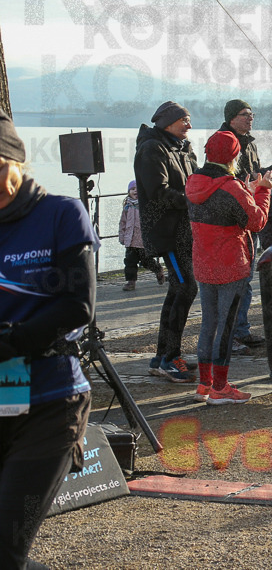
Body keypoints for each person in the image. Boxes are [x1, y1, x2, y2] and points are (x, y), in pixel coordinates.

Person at [0, 110, 96, 569]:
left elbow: (78, 305)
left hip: (51, 396)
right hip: (4, 387)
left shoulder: (59, 213)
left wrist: (13, 341)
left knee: (5, 546)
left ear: (19, 161)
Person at [185, 131, 272, 404]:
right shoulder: (230, 187)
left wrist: (245, 191)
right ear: (234, 157)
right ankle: (221, 387)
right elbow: (256, 221)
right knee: (226, 325)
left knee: (208, 322)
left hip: (203, 260)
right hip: (231, 263)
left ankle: (204, 384)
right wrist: (263, 190)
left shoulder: (193, 182)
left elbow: (223, 207)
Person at [134, 101, 198, 383]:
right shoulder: (152, 148)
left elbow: (194, 180)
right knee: (185, 287)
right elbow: (157, 191)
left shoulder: (183, 148)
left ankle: (164, 356)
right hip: (167, 233)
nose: (189, 125)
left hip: (186, 231)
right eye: (185, 120)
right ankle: (168, 358)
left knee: (178, 290)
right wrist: (192, 202)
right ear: (168, 122)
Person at [220, 98, 264, 353]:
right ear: (232, 117)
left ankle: (241, 330)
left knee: (246, 278)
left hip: (250, 215)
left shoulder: (250, 143)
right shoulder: (224, 142)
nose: (250, 118)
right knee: (235, 280)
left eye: (252, 114)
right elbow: (228, 180)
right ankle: (232, 334)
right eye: (245, 114)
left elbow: (253, 173)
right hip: (233, 221)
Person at [118, 180, 165, 291]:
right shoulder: (127, 207)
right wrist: (122, 236)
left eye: (137, 189)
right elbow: (122, 223)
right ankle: (131, 281)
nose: (135, 191)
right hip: (130, 239)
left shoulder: (145, 205)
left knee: (146, 261)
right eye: (133, 189)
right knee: (130, 261)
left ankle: (158, 270)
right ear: (129, 191)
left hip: (143, 240)